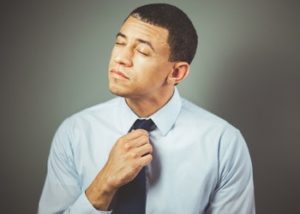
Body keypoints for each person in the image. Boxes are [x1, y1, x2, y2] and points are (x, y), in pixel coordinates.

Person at [38, 3, 255, 214]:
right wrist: (102, 187)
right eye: (120, 43)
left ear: (177, 73)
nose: (120, 58)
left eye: (141, 51)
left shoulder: (223, 144)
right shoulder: (75, 132)